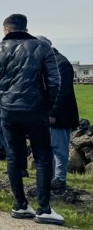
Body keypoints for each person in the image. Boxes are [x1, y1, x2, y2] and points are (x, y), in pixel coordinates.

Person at [0, 14, 63, 225]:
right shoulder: (42, 47)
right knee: (42, 157)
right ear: (26, 28)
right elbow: (55, 82)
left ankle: (20, 204)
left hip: (8, 110)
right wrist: (47, 106)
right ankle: (44, 208)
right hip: (35, 109)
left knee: (13, 156)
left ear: (5, 30)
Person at [35, 36, 79, 191]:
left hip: (60, 114)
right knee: (51, 147)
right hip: (50, 113)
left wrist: (52, 112)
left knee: (59, 148)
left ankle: (59, 178)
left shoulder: (61, 63)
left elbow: (62, 91)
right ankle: (52, 177)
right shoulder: (51, 62)